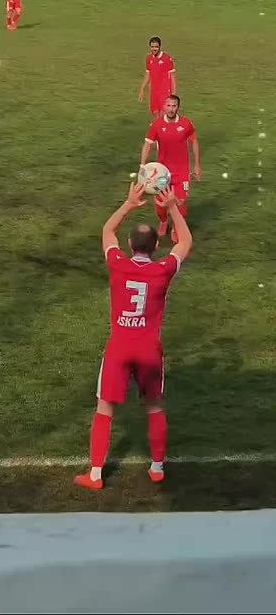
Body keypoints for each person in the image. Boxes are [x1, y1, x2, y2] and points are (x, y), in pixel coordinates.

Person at [74, 183, 192, 491]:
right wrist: (172, 207)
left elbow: (106, 231)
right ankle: (157, 468)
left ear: (129, 244)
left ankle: (95, 474)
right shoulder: (163, 270)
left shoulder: (117, 264)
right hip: (149, 349)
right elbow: (185, 242)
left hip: (120, 347)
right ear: (155, 247)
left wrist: (129, 203)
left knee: (104, 409)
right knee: (154, 406)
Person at [140, 95, 202, 242]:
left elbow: (194, 142)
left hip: (182, 170)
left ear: (178, 107)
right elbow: (148, 144)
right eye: (168, 106)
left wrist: (197, 165)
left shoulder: (186, 123)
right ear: (164, 107)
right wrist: (142, 165)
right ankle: (163, 221)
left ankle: (176, 227)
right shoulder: (157, 125)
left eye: (174, 106)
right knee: (160, 205)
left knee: (181, 201)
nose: (171, 109)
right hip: (163, 172)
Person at [138, 36, 177, 119]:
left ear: (160, 47)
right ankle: (158, 127)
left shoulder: (167, 58)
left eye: (156, 47)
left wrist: (174, 95)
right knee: (155, 113)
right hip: (154, 91)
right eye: (152, 47)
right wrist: (142, 89)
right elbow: (148, 74)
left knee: (163, 114)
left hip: (164, 92)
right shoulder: (149, 58)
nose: (154, 49)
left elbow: (172, 77)